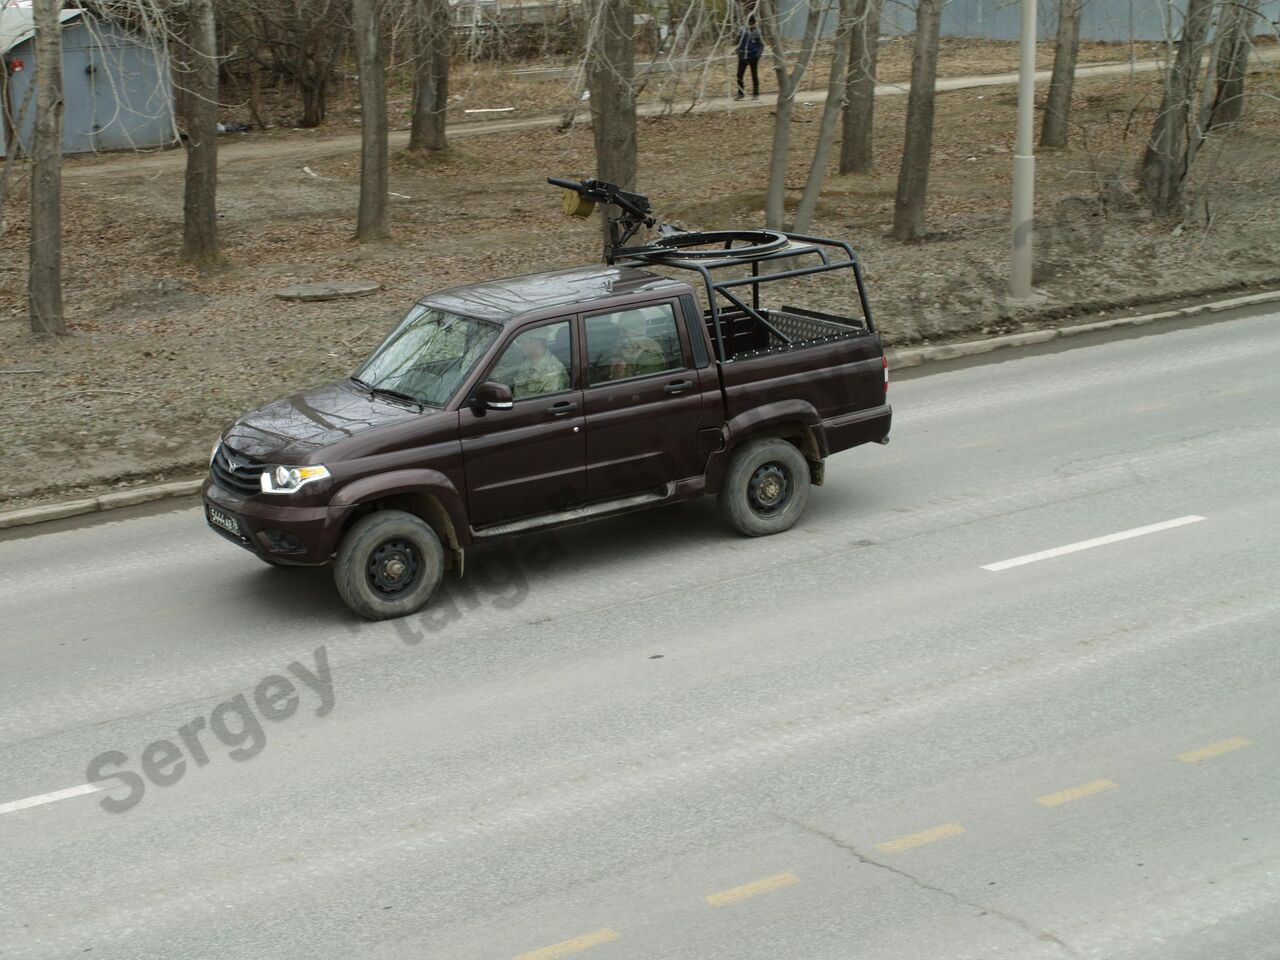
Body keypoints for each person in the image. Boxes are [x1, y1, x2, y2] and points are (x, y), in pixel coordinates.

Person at [608, 312, 668, 381]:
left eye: (624, 330)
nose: (620, 334)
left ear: (636, 330)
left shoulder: (649, 356)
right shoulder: (625, 347)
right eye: (619, 330)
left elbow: (645, 387)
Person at [510, 331, 568, 399]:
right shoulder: (527, 362)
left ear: (535, 343)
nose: (520, 346)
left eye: (523, 343)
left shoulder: (553, 372)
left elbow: (545, 405)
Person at [735, 15, 764, 101]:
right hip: (743, 56)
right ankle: (740, 93)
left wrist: (758, 55)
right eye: (750, 23)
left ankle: (756, 93)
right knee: (739, 74)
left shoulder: (758, 32)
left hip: (753, 57)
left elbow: (761, 45)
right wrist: (738, 52)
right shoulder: (742, 31)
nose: (752, 25)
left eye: (753, 23)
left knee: (754, 75)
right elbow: (737, 42)